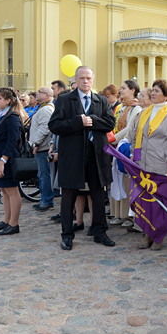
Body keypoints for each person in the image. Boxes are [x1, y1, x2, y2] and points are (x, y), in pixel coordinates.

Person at [48, 66, 117, 250]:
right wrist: (78, 122)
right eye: (82, 78)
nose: (85, 81)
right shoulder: (64, 100)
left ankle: (99, 231)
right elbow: (54, 125)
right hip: (73, 156)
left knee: (98, 194)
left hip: (95, 155)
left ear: (92, 80)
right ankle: (67, 234)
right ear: (76, 80)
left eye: (88, 78)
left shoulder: (101, 100)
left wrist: (92, 120)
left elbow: (111, 122)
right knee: (69, 195)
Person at [128, 79, 167, 250]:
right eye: (153, 90)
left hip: (161, 164)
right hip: (142, 164)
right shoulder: (143, 113)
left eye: (157, 91)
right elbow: (136, 136)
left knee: (159, 203)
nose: (153, 93)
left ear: (166, 96)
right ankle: (146, 234)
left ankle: (159, 236)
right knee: (145, 201)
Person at [0, 88, 24, 236]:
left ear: (8, 101)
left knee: (12, 190)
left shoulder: (12, 117)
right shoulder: (0, 115)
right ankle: (7, 220)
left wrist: (2, 161)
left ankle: (14, 223)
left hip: (7, 158)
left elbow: (12, 142)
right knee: (4, 190)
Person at [109, 80, 142, 229]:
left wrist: (113, 139)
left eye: (123, 88)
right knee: (117, 179)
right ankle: (119, 213)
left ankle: (129, 215)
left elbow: (130, 128)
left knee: (128, 182)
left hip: (125, 147)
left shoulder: (136, 109)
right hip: (116, 148)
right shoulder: (121, 107)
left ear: (133, 90)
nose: (120, 91)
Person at [28, 87, 55, 212]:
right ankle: (44, 199)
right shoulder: (42, 108)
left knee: (44, 175)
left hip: (43, 147)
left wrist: (36, 142)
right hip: (41, 146)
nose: (37, 93)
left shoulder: (46, 110)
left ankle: (47, 200)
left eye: (40, 92)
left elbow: (45, 127)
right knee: (42, 174)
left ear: (47, 96)